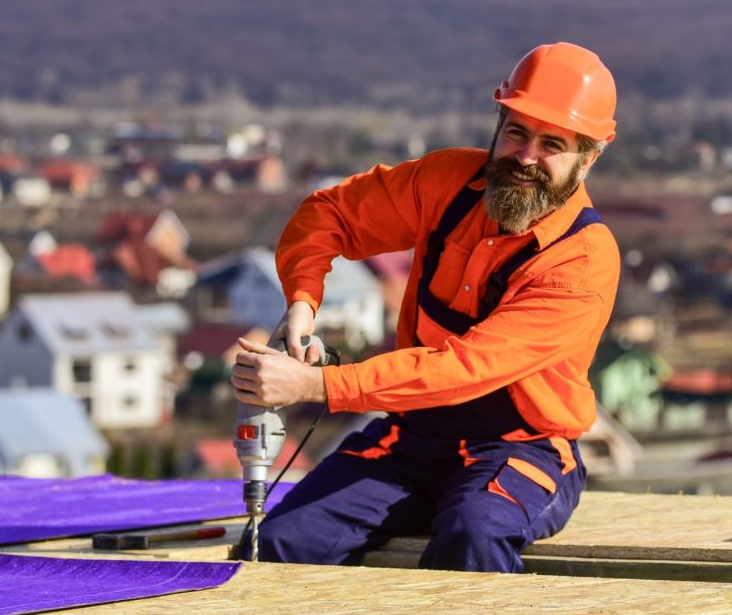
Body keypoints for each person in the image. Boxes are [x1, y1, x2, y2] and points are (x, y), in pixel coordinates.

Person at [230, 42, 621, 572]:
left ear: (589, 156)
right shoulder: (446, 184)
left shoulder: (582, 261)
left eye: (552, 143)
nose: (526, 157)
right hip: (412, 439)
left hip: (521, 447)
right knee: (280, 543)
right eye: (516, 132)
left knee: (473, 536)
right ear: (497, 123)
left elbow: (465, 367)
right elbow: (328, 215)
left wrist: (317, 386)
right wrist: (302, 300)